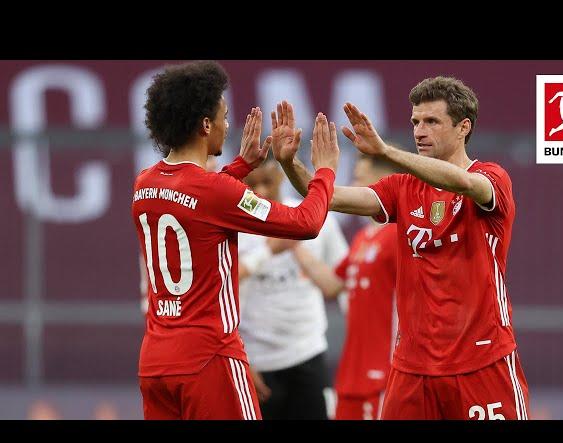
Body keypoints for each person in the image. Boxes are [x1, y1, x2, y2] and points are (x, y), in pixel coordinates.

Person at [271, 76, 529, 420]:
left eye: (432, 121)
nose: (419, 131)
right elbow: (330, 197)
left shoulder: (493, 178)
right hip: (412, 369)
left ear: (463, 127)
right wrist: (291, 164)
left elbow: (464, 182)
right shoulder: (402, 188)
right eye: (415, 122)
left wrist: (387, 152)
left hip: (481, 362)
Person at [132, 60, 339, 420]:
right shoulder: (216, 191)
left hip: (156, 361)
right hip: (209, 357)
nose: (229, 127)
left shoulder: (145, 183)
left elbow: (196, 199)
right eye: (224, 117)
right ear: (205, 124)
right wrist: (324, 172)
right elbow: (306, 222)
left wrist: (240, 168)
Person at [292, 151, 402, 420]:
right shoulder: (364, 237)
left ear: (385, 182)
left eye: (358, 178)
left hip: (383, 373)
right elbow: (332, 284)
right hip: (352, 374)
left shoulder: (398, 236)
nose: (352, 186)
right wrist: (292, 242)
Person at [236, 157, 348, 420]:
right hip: (257, 362)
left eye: (267, 182)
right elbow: (223, 287)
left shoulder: (311, 217)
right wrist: (267, 251)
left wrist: (296, 242)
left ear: (281, 177)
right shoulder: (235, 224)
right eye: (252, 184)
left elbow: (337, 282)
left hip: (307, 353)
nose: (261, 191)